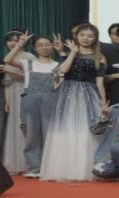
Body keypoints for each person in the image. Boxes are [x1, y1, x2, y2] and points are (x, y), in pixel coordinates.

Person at [41, 24, 108, 181]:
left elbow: (100, 82)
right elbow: (63, 71)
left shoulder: (100, 57)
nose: (86, 38)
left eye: (90, 36)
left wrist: (103, 102)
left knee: (87, 131)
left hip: (89, 95)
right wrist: (72, 53)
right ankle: (64, 170)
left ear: (95, 38)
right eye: (82, 35)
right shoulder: (68, 53)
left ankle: (84, 170)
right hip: (67, 95)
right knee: (66, 130)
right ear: (76, 36)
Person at [3, 33, 58, 178]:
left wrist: (62, 52)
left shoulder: (57, 65)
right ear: (34, 48)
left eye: (47, 44)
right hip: (30, 100)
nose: (44, 47)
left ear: (52, 46)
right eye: (40, 45)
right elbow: (7, 60)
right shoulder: (28, 63)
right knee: (31, 134)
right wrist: (19, 45)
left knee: (50, 134)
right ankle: (34, 168)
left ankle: (50, 167)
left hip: (51, 101)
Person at [0, 31, 29, 173]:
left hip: (26, 92)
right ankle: (14, 163)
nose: (13, 43)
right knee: (14, 126)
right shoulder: (7, 57)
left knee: (26, 126)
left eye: (16, 40)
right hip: (13, 93)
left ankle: (28, 163)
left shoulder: (30, 57)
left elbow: (31, 78)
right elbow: (7, 83)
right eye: (10, 40)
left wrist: (14, 73)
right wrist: (7, 101)